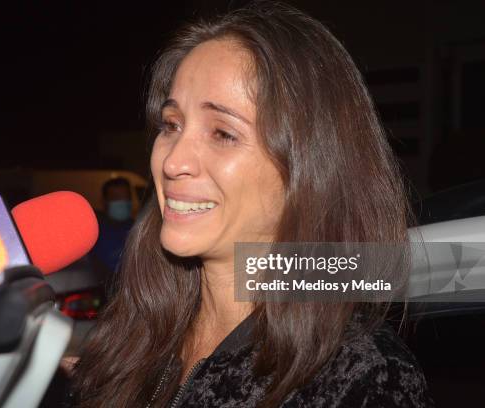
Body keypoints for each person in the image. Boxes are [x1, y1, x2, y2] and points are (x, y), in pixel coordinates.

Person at [68, 3, 433, 408]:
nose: (172, 162)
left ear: (307, 167)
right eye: (171, 125)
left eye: (222, 133)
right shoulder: (130, 336)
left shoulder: (362, 380)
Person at [89, 177, 134, 276]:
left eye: (126, 197)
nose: (122, 201)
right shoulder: (94, 235)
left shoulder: (140, 229)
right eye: (116, 197)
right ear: (105, 202)